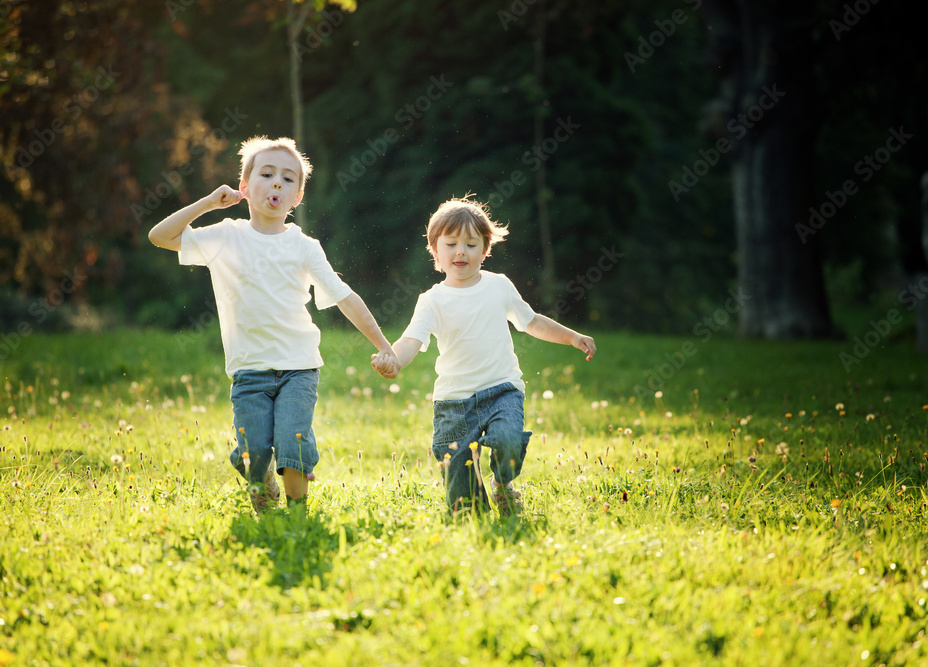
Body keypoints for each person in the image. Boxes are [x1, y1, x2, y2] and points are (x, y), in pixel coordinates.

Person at [149, 135, 397, 513]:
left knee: (292, 445)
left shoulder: (305, 246)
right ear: (245, 188)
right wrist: (207, 204)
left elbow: (346, 297)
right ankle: (261, 490)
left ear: (297, 197)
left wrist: (384, 345)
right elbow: (159, 236)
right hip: (249, 371)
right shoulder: (226, 236)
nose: (277, 182)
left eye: (288, 178)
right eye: (266, 174)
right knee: (253, 456)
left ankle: (297, 518)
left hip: (299, 367)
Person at [372, 195, 595, 516]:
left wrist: (573, 337)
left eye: (471, 244)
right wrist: (392, 360)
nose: (460, 251)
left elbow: (531, 321)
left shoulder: (499, 286)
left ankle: (503, 484)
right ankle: (472, 503)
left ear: (485, 251)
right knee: (465, 508)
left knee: (507, 441)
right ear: (435, 251)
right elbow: (411, 340)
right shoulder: (431, 300)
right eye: (450, 244)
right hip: (453, 403)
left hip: (501, 390)